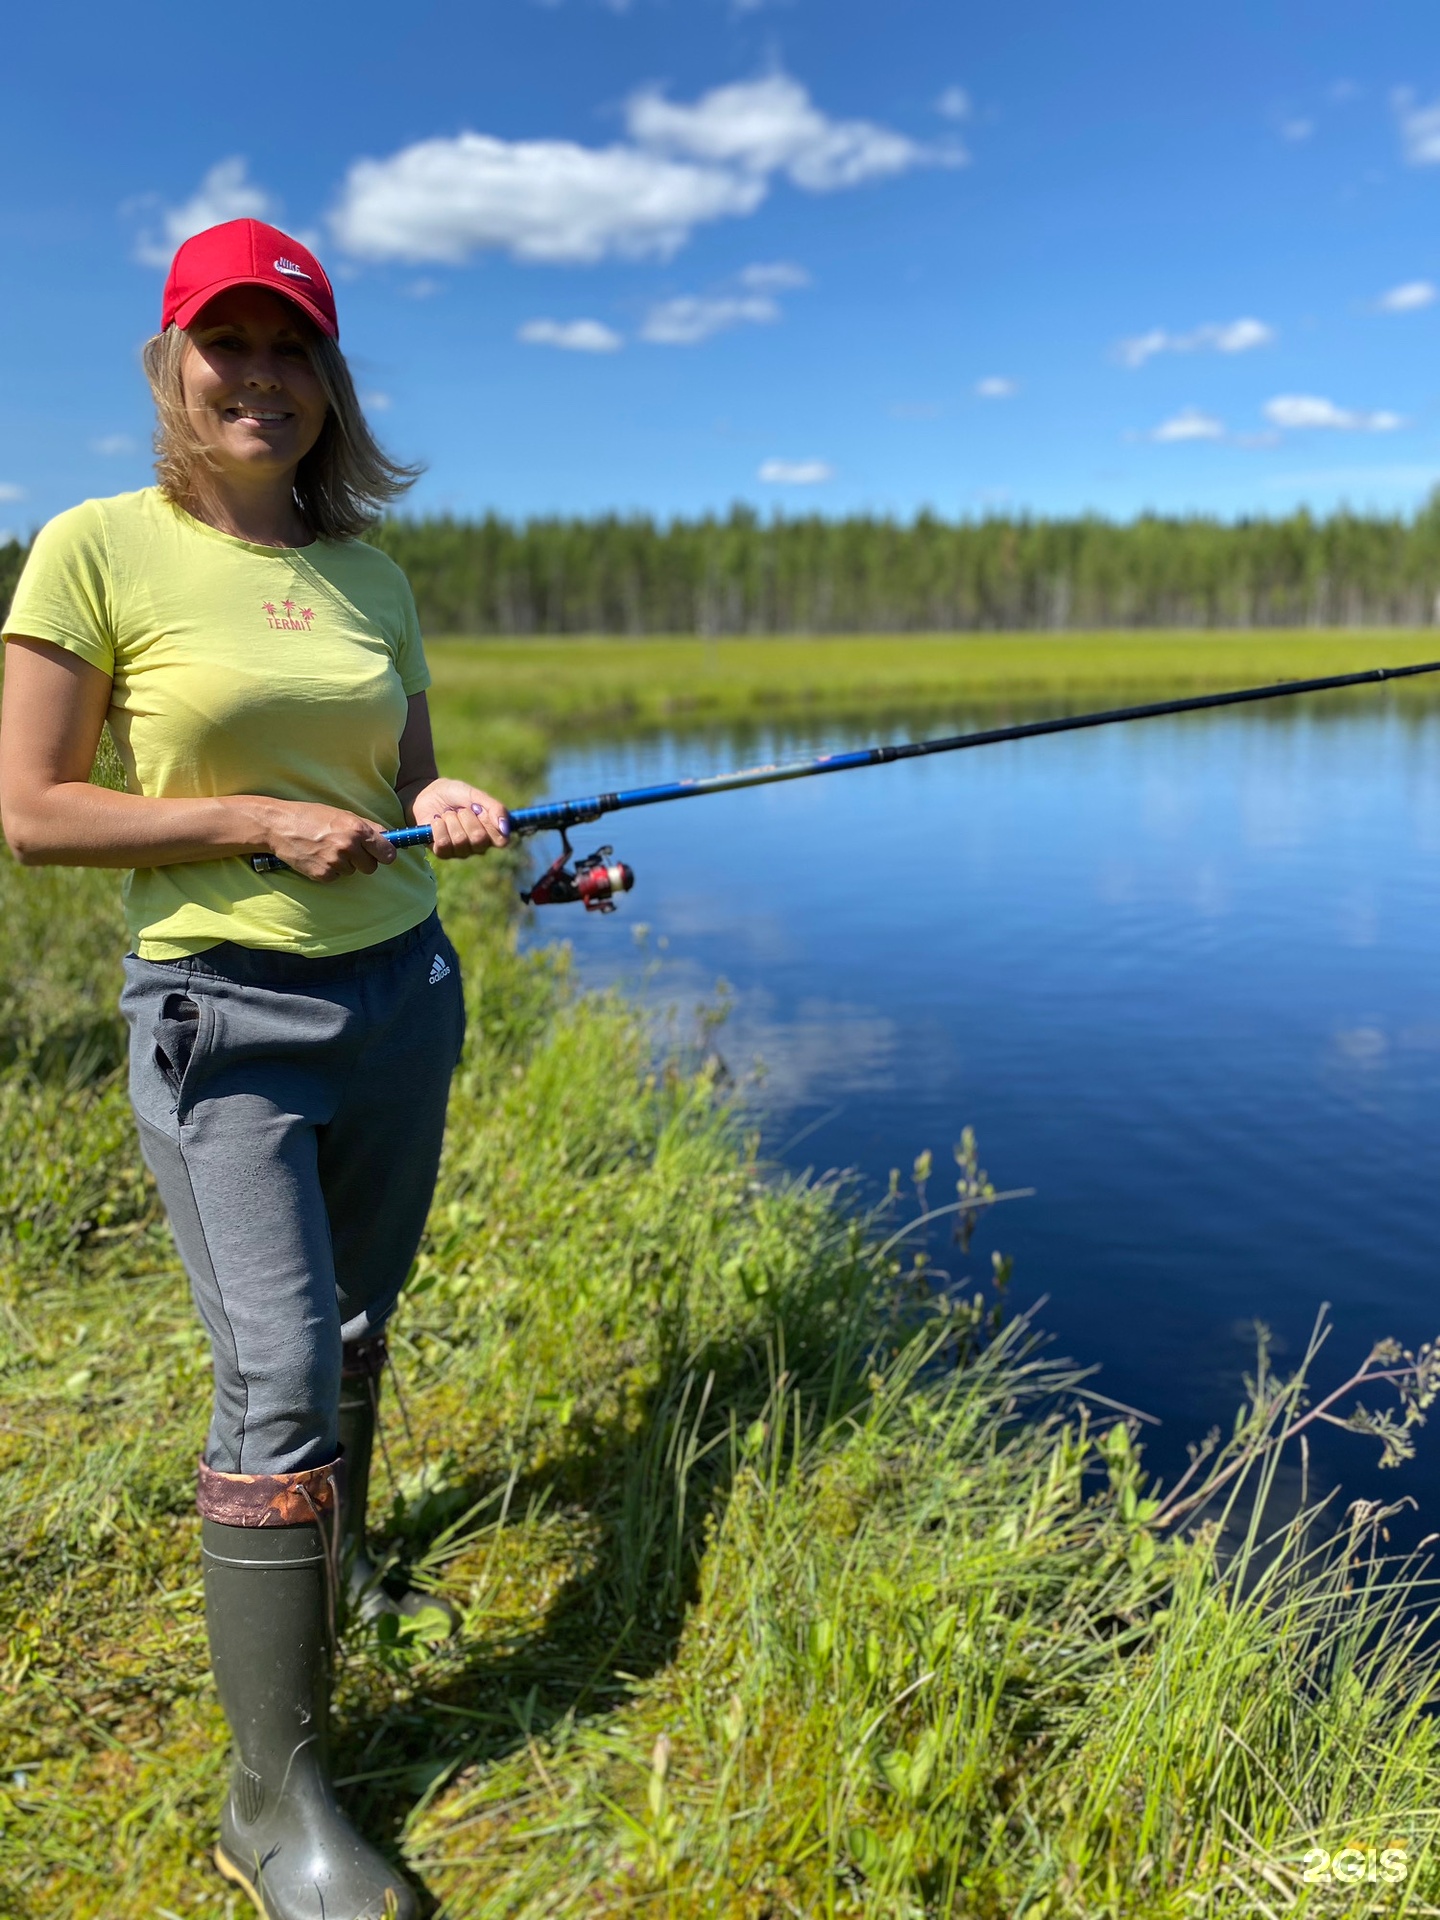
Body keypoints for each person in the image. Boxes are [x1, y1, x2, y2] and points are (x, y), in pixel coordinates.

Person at [0, 219, 502, 1920]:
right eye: (229, 345)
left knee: (361, 1323)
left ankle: (339, 1574)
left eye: (292, 349)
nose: (261, 379)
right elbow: (35, 812)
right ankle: (269, 1799)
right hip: (223, 1017)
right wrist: (248, 821)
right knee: (278, 1372)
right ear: (171, 362)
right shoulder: (94, 548)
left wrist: (438, 808)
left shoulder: (373, 574)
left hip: (405, 993)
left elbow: (405, 781)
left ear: (329, 376)